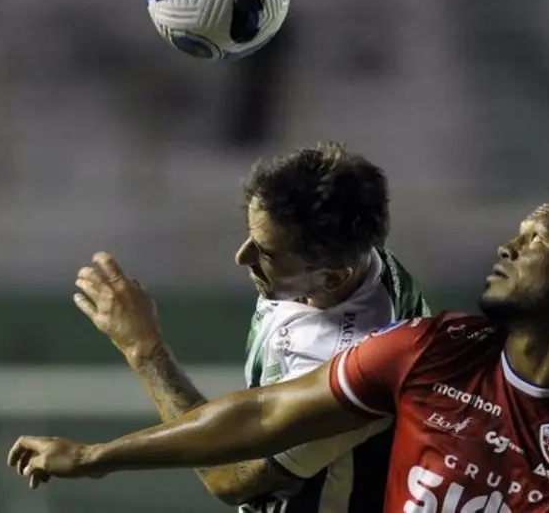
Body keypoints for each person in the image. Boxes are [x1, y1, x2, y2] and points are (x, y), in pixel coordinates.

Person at [9, 178, 549, 513]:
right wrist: (95, 458)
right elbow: (259, 418)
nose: (509, 243)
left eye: (539, 237)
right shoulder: (437, 350)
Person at [71, 142, 429, 512]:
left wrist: (143, 349)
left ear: (333, 277)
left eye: (267, 252)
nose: (242, 256)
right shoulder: (352, 260)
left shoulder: (354, 366)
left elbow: (228, 476)